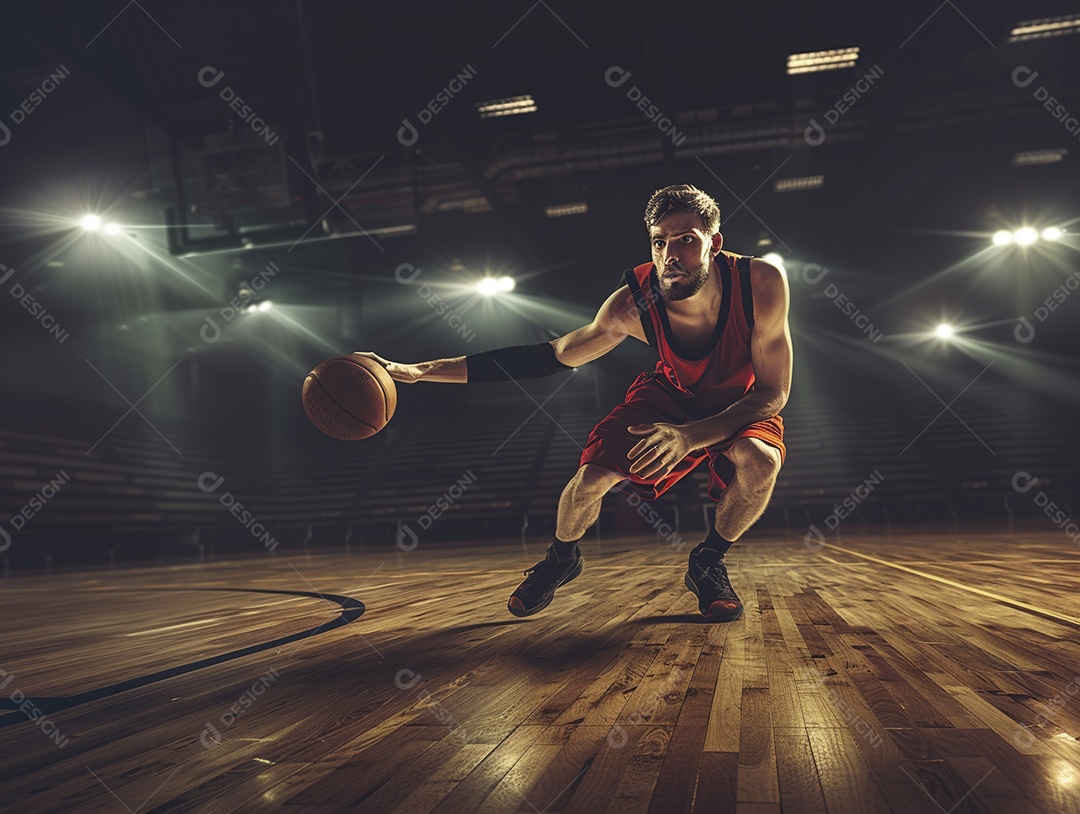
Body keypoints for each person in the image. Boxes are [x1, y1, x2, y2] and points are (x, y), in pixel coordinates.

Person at [357, 184, 791, 622]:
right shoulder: (633, 304)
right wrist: (420, 370)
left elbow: (774, 392)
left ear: (713, 243)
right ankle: (561, 558)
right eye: (659, 241)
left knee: (762, 460)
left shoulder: (760, 283)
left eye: (685, 239)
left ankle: (708, 560)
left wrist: (693, 436)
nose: (669, 254)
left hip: (741, 401)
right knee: (590, 480)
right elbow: (550, 356)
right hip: (671, 396)